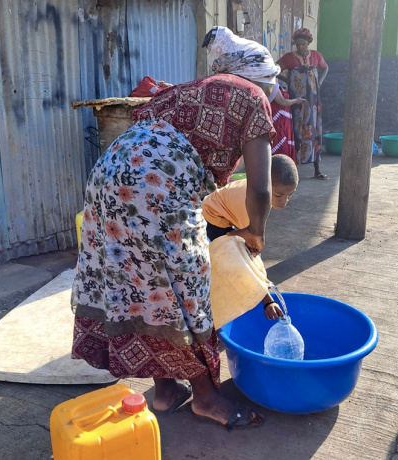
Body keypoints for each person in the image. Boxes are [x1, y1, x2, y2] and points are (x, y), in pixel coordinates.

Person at [71, 26, 279, 430]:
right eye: (270, 85)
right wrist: (256, 233)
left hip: (108, 178)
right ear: (257, 79)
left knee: (144, 285)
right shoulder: (251, 96)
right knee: (186, 287)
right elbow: (261, 187)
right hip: (154, 187)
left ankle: (165, 391)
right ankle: (205, 398)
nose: (271, 93)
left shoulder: (189, 88)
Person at [202, 154, 298, 319]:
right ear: (266, 185)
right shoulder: (249, 202)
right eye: (279, 195)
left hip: (228, 215)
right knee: (239, 259)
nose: (285, 201)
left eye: (290, 195)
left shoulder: (260, 192)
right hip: (213, 217)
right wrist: (267, 299)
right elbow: (251, 252)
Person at [277, 28, 329, 179]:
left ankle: (317, 169)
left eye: (304, 44)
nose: (301, 47)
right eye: (298, 44)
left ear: (309, 43)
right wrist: (286, 79)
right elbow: (274, 69)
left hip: (313, 102)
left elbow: (325, 68)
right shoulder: (288, 58)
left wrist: (319, 82)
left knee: (315, 131)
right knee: (297, 131)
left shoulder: (316, 56)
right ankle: (295, 172)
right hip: (297, 102)